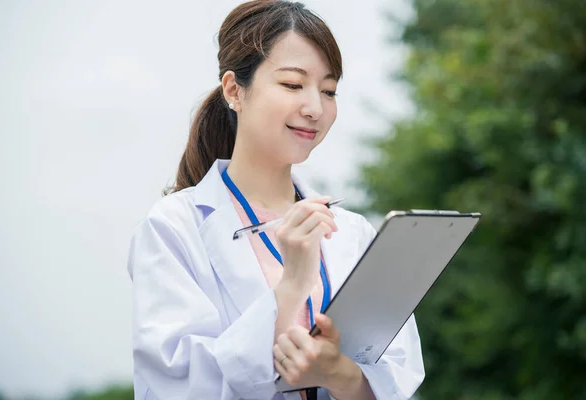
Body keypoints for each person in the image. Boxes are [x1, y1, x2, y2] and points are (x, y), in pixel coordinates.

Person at [127, 1, 425, 399]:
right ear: (235, 90)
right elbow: (177, 386)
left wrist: (338, 373)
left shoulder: (352, 232)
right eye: (292, 84)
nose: (315, 108)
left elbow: (399, 376)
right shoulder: (174, 228)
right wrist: (291, 287)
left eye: (329, 90)